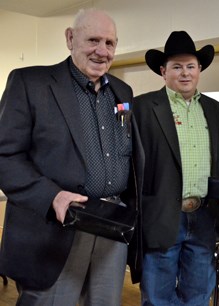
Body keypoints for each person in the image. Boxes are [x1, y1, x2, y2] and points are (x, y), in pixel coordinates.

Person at [0, 8, 144, 306]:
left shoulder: (122, 91)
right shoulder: (31, 83)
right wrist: (52, 196)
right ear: (70, 38)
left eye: (110, 43)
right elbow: (5, 156)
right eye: (93, 40)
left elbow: (125, 149)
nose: (102, 51)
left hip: (111, 226)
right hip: (55, 228)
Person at [133, 31, 219, 306]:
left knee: (198, 295)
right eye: (177, 67)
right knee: (157, 297)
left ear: (199, 70)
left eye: (190, 66)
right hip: (162, 216)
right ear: (163, 71)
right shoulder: (143, 107)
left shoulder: (214, 109)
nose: (184, 73)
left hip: (204, 218)